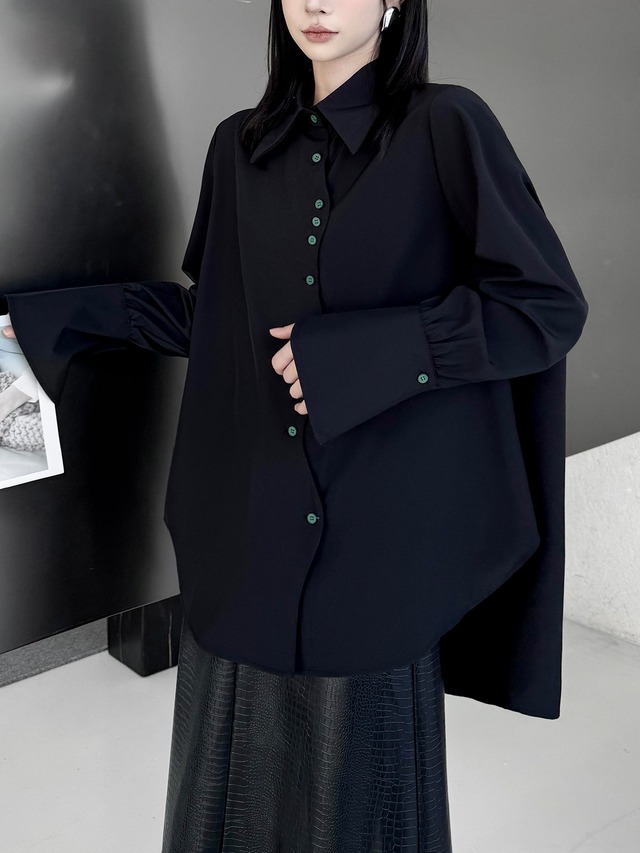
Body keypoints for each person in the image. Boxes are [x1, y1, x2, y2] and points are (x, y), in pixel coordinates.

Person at [1, 0, 589, 849]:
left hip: (377, 549)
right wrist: (44, 319)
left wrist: (360, 356)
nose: (317, 3)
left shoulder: (447, 126)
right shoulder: (238, 146)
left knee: (361, 810)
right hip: (248, 530)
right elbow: (219, 319)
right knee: (224, 802)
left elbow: (544, 308)